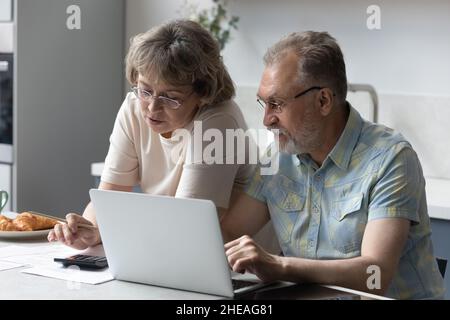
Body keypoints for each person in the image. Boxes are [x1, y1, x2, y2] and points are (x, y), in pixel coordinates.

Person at [220, 31, 445, 299]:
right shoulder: (276, 159)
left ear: (323, 100)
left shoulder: (391, 158)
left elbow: (376, 274)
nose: (267, 120)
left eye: (276, 104)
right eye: (264, 103)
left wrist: (280, 266)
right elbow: (229, 231)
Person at [48, 20, 254, 250]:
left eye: (170, 97)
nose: (152, 108)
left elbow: (185, 223)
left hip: (241, 265)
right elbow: (109, 198)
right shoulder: (135, 106)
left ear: (203, 93)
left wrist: (112, 229)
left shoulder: (219, 121)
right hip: (180, 251)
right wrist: (91, 231)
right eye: (145, 90)